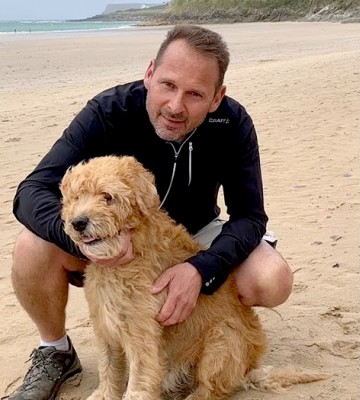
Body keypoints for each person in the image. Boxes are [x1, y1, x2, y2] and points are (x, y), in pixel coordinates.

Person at [7, 25, 293, 400]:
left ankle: (194, 339)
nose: (176, 106)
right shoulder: (108, 112)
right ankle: (56, 350)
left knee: (272, 278)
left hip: (195, 235)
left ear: (216, 97)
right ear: (150, 74)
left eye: (194, 94)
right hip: (112, 233)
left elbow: (250, 217)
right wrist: (82, 241)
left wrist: (201, 269)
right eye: (168, 85)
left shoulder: (233, 123)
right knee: (31, 245)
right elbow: (31, 191)